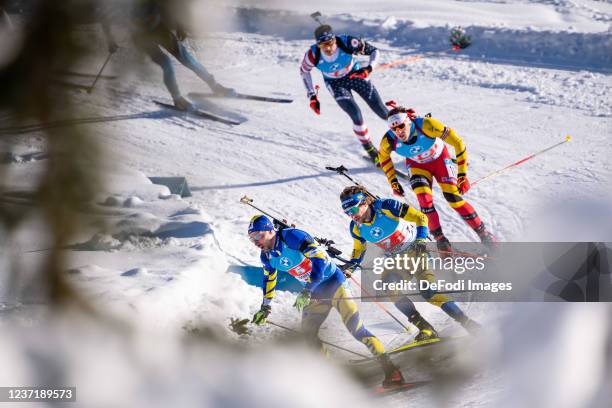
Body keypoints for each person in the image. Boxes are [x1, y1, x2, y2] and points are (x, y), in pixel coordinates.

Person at [247, 214, 405, 387]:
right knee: (308, 335)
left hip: (334, 283)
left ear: (271, 230)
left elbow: (319, 261)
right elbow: (269, 280)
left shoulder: (292, 237)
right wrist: (265, 307)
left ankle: (392, 370)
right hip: (316, 293)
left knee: (356, 328)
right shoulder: (267, 257)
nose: (255, 241)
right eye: (251, 238)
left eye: (258, 235)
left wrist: (308, 289)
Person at [339, 186, 480, 335]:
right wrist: (350, 268)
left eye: (353, 210)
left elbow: (421, 217)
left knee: (429, 293)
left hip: (417, 251)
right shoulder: (356, 228)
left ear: (364, 203)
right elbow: (359, 249)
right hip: (397, 260)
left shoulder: (386, 207)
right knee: (389, 288)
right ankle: (425, 328)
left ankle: (467, 323)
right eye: (347, 212)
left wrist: (420, 239)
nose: (351, 215)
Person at [378, 104, 497, 252]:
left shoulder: (427, 125)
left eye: (401, 126)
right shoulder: (389, 140)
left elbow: (458, 142)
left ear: (408, 122)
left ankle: (484, 234)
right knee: (424, 202)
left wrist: (462, 174)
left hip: (440, 160)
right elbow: (383, 158)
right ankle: (442, 242)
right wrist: (393, 182)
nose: (398, 131)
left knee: (453, 199)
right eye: (394, 129)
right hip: (417, 166)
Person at [101, 0, 234, 110]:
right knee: (167, 64)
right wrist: (110, 40)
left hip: (159, 29)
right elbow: (105, 17)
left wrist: (179, 26)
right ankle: (178, 99)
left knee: (188, 60)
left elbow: (169, 5)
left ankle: (215, 86)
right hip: (141, 38)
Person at [300, 24, 389, 164]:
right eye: (323, 45)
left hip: (355, 75)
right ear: (318, 45)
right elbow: (304, 71)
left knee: (381, 110)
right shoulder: (312, 54)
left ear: (334, 40)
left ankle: (410, 136)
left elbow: (374, 51)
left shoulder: (346, 42)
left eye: (329, 43)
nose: (328, 48)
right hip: (335, 84)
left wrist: (369, 68)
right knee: (356, 115)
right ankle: (370, 150)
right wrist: (312, 96)